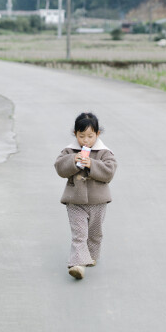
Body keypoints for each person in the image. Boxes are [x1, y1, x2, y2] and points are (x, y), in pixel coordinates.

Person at [54, 112, 118, 280]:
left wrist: (93, 165)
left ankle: (91, 255)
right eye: (81, 136)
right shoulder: (69, 150)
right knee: (79, 234)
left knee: (95, 232)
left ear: (97, 134)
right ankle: (78, 265)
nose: (86, 140)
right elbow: (60, 168)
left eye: (90, 136)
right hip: (75, 201)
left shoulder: (104, 152)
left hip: (98, 201)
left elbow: (109, 172)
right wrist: (73, 161)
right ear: (75, 134)